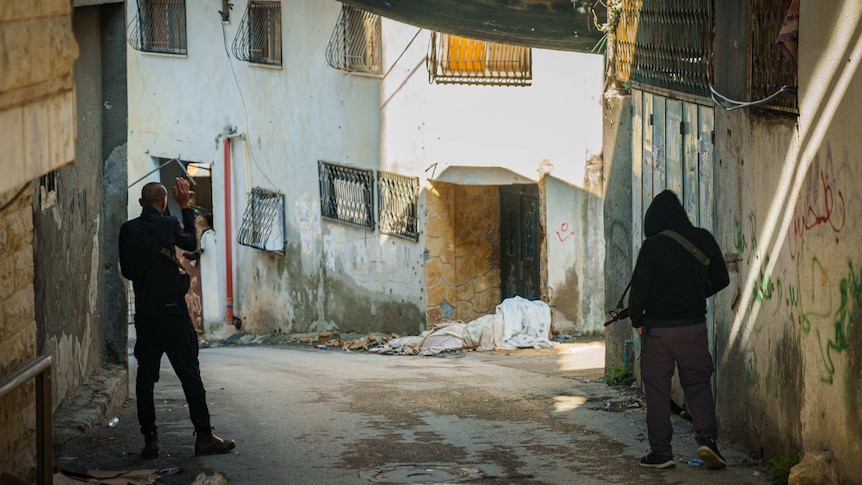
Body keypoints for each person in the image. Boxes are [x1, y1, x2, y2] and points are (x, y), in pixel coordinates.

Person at [119, 178, 236, 458]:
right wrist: (184, 205)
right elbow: (188, 242)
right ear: (162, 203)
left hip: (146, 314)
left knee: (145, 379)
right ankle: (204, 436)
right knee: (189, 374)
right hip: (173, 312)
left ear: (140, 203)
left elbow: (128, 273)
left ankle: (150, 440)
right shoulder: (168, 223)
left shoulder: (127, 229)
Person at [628, 190, 730, 470]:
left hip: (658, 332)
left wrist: (637, 320)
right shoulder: (703, 238)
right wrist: (697, 293)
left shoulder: (652, 246)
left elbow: (639, 291)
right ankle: (707, 441)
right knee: (698, 386)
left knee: (658, 390)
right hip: (694, 329)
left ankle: (661, 453)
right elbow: (721, 279)